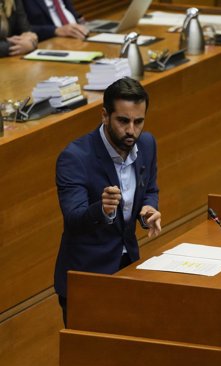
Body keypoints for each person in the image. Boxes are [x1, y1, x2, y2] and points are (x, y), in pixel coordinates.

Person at [54, 77, 161, 326]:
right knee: (88, 360)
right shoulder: (75, 157)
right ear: (104, 115)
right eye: (123, 121)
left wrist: (147, 209)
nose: (131, 130)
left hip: (128, 267)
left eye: (138, 121)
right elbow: (73, 219)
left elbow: (150, 189)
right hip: (87, 278)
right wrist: (102, 210)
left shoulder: (146, 144)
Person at [21, 0, 88, 42]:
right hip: (52, 42)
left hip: (80, 36)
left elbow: (68, 10)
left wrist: (78, 21)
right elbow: (21, 30)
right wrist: (55, 30)